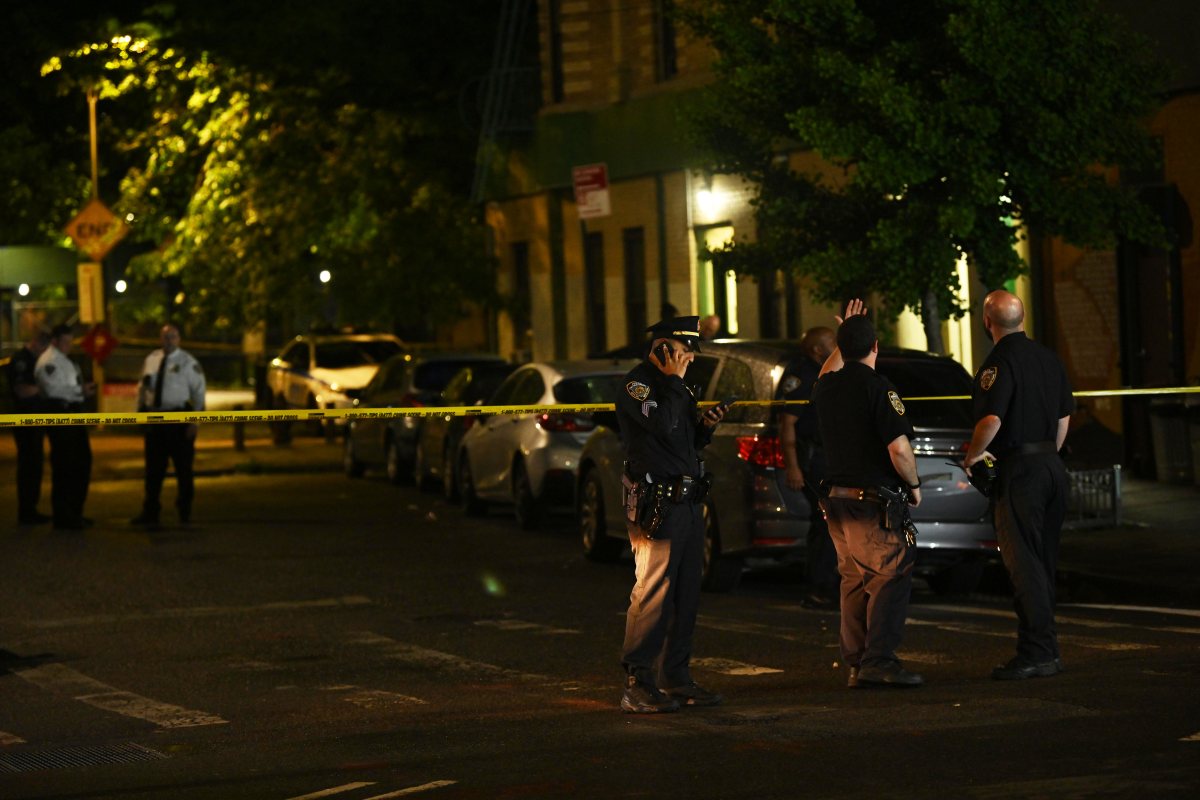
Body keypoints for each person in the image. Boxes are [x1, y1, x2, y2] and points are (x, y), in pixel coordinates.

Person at [617, 315, 727, 713]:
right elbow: (661, 425)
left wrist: (705, 427)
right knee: (654, 592)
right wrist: (674, 383)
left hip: (685, 502)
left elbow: (681, 441)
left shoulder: (673, 387)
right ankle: (638, 681)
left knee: (685, 594)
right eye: (682, 352)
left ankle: (675, 676)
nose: (688, 361)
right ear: (663, 350)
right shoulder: (639, 385)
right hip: (656, 505)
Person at [812, 301, 924, 688]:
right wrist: (914, 485)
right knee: (889, 576)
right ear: (876, 346)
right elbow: (899, 449)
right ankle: (879, 661)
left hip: (837, 502)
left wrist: (844, 337)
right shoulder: (879, 387)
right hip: (870, 502)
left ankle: (857, 662)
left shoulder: (827, 387)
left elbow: (827, 369)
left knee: (854, 580)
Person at [963, 290, 1073, 680]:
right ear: (1022, 318)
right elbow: (1063, 421)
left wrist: (974, 455)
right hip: (1051, 466)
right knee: (1043, 561)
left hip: (1021, 472)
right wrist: (1048, 457)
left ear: (987, 322)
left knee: (1023, 565)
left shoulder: (998, 363)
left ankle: (1037, 652)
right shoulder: (1050, 358)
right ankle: (1047, 647)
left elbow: (991, 419)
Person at [778, 326, 838, 607]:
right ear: (817, 349)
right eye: (831, 342)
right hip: (813, 459)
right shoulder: (802, 375)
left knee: (830, 519)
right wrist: (794, 468)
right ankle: (819, 586)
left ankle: (827, 583)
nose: (836, 345)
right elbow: (787, 423)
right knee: (826, 519)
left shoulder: (824, 371)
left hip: (826, 457)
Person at [132, 324, 207, 527]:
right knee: (153, 471)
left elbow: (199, 393)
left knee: (183, 470)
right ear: (160, 339)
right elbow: (142, 388)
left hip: (178, 421)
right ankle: (150, 512)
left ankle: (184, 512)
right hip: (155, 421)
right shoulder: (151, 360)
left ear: (179, 339)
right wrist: (139, 412)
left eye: (173, 337)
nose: (169, 341)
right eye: (165, 337)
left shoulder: (188, 363)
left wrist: (195, 421)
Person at [34, 324, 95, 530]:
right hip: (60, 414)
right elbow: (53, 391)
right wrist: (80, 390)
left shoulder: (66, 360)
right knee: (64, 465)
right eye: (65, 342)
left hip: (73, 413)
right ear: (55, 341)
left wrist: (81, 392)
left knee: (81, 462)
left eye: (70, 341)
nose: (69, 345)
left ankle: (75, 512)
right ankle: (63, 516)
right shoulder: (49, 361)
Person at [6, 330, 51, 524]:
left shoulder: (31, 358)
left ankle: (30, 509)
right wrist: (46, 389)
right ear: (37, 344)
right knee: (29, 465)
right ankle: (26, 511)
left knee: (35, 464)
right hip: (25, 420)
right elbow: (22, 390)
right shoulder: (21, 360)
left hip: (35, 419)